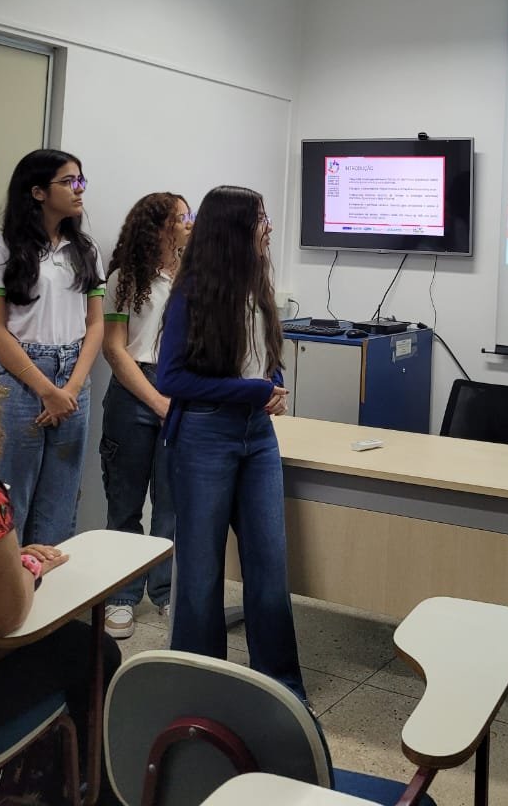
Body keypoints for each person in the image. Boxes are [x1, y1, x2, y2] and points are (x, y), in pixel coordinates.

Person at [0, 319, 121, 804]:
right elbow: (5, 619)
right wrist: (26, 569)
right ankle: (84, 791)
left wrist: (0, 557)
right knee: (93, 651)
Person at [156, 185, 304, 698]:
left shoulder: (257, 285)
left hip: (257, 436)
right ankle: (202, 689)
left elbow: (263, 358)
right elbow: (171, 379)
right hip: (204, 434)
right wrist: (253, 390)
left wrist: (272, 383)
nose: (269, 227)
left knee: (270, 567)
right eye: (260, 218)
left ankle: (282, 689)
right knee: (200, 573)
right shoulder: (192, 292)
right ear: (234, 229)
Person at [0, 149, 105, 544]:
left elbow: (95, 324)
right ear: (37, 192)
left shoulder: (85, 249)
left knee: (61, 494)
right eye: (69, 182)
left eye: (81, 181)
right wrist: (47, 390)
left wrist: (71, 388)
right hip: (20, 377)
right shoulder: (0, 247)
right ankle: (9, 580)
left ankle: (51, 579)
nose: (79, 189)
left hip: (73, 377)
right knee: (12, 491)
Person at [99, 191, 193, 639]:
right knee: (125, 502)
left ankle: (167, 591)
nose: (189, 223)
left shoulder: (194, 275)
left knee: (172, 505)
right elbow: (114, 349)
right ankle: (121, 597)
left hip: (181, 388)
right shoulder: (124, 278)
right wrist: (156, 402)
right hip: (134, 391)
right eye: (182, 217)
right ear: (159, 227)